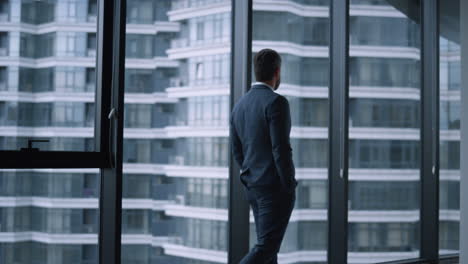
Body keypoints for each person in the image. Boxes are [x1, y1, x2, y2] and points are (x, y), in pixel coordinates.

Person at [230, 48, 297, 264]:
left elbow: (237, 151)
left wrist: (252, 175)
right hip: (273, 188)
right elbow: (281, 149)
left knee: (269, 251)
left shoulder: (239, 106)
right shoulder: (276, 102)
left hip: (253, 187)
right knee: (266, 247)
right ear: (277, 72)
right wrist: (289, 185)